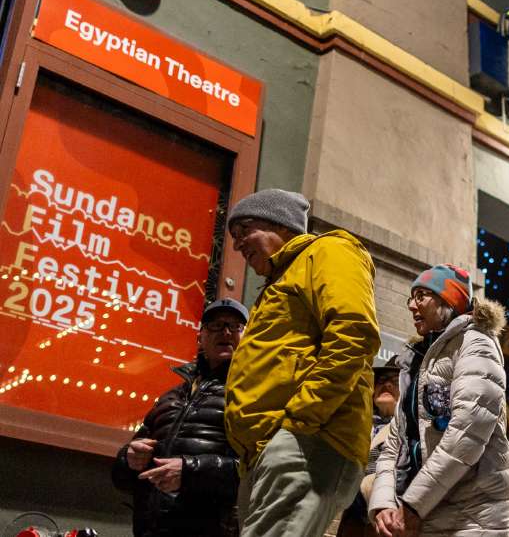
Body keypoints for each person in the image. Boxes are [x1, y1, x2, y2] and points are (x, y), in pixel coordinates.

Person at [223, 189, 380, 537]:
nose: (237, 246)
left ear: (278, 222)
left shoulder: (328, 251)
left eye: (244, 231)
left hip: (306, 443)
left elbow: (353, 334)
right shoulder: (281, 279)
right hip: (271, 451)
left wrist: (300, 420)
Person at [369, 264, 509, 536]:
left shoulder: (476, 342)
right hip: (424, 513)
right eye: (410, 298)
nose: (412, 306)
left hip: (470, 520)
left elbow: (466, 435)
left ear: (450, 299)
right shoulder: (417, 358)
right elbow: (395, 443)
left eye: (421, 296)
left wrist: (412, 506)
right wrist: (383, 504)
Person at [112, 298, 248, 537]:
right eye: (215, 325)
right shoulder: (171, 397)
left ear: (247, 337)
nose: (225, 331)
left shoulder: (254, 393)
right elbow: (122, 478)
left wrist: (190, 471)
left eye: (235, 326)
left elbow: (255, 471)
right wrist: (129, 458)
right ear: (200, 338)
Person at [340, 356, 403, 537]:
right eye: (381, 380)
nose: (386, 385)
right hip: (352, 520)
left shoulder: (409, 432)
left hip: (385, 520)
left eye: (395, 381)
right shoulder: (357, 425)